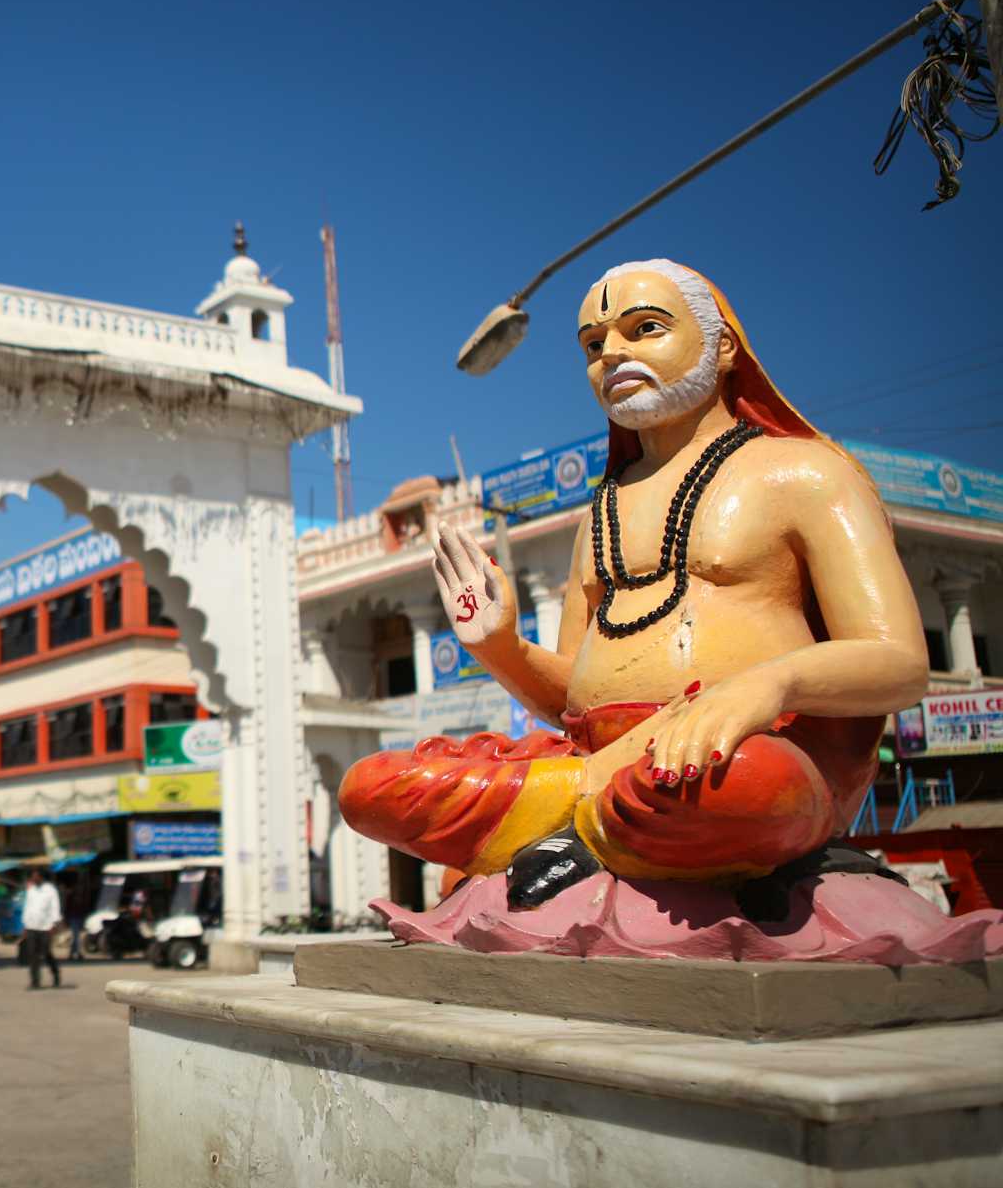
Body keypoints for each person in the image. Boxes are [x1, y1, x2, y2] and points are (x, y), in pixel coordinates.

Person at [340, 259, 928, 906]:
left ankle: (566, 827)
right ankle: (588, 813)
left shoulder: (805, 473)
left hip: (749, 749)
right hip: (608, 761)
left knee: (742, 785)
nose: (611, 353)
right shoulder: (601, 511)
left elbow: (899, 663)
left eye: (644, 328)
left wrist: (767, 684)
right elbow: (575, 701)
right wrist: (498, 645)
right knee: (370, 786)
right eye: (594, 344)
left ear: (724, 345)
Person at [19, 868, 63, 990]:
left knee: (46, 952)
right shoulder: (31, 890)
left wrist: (54, 924)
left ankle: (55, 974)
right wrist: (25, 925)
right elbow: (27, 907)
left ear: (41, 877)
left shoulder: (50, 890)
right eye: (32, 877)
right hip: (32, 926)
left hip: (46, 927)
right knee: (32, 954)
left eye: (36, 877)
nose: (34, 879)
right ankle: (35, 981)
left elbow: (55, 907)